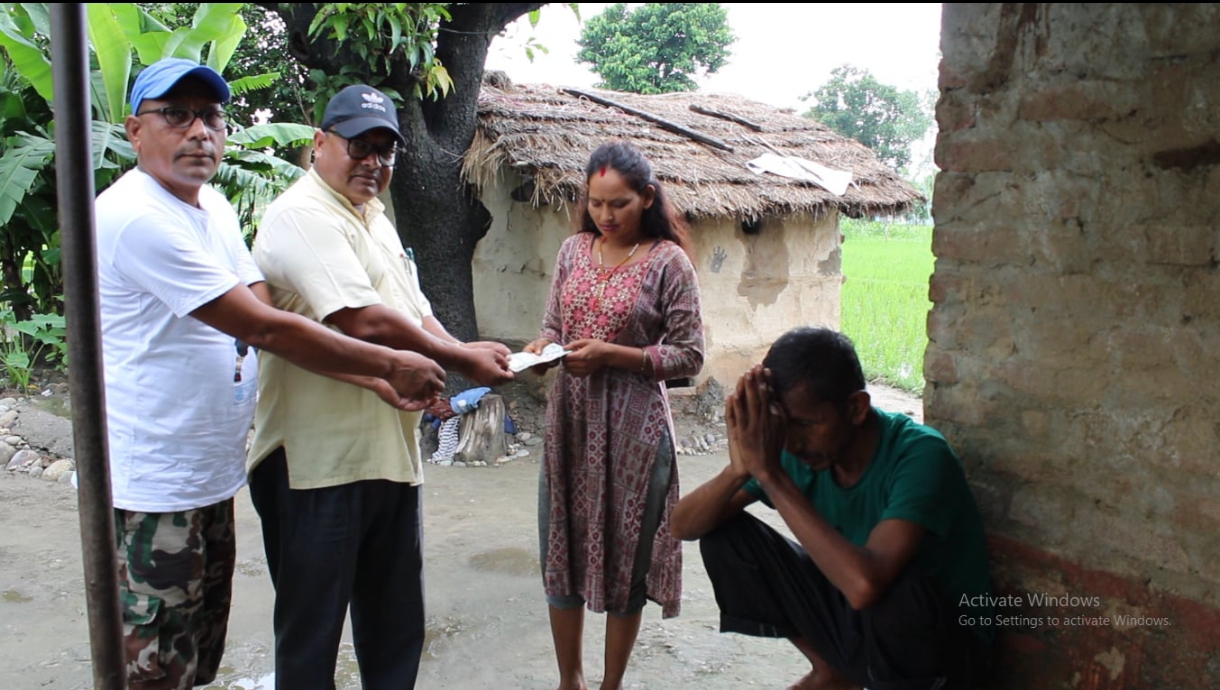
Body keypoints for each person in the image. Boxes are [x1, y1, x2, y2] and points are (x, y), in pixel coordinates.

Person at [95, 59, 446, 690]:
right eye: (176, 115)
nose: (199, 131)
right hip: (155, 482)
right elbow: (264, 330)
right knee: (154, 669)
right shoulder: (136, 217)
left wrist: (377, 381)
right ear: (134, 131)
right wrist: (394, 365)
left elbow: (265, 312)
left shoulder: (212, 208)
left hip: (208, 472)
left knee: (195, 659)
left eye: (211, 116)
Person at [245, 84, 514, 690]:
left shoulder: (374, 220)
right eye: (359, 146)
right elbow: (359, 317)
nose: (373, 162)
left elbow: (415, 313)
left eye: (385, 152)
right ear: (319, 143)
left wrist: (457, 356)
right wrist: (459, 356)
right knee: (311, 635)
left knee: (394, 631)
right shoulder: (302, 215)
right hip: (316, 464)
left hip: (388, 458)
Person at [671, 327, 995, 690]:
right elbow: (683, 526)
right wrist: (739, 469)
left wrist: (770, 474)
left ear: (856, 408)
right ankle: (831, 671)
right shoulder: (796, 450)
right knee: (725, 533)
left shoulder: (920, 455)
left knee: (896, 590)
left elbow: (864, 587)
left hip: (943, 651)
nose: (792, 442)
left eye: (807, 425)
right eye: (782, 426)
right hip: (863, 625)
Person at [523, 141, 705, 690]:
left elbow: (690, 354)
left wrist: (614, 356)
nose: (605, 215)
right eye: (596, 203)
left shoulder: (669, 262)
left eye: (619, 204)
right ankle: (569, 680)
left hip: (635, 434)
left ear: (647, 198)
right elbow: (554, 325)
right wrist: (540, 349)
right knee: (563, 545)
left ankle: (610, 685)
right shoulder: (573, 251)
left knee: (627, 554)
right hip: (571, 427)